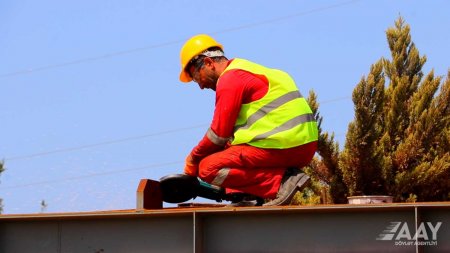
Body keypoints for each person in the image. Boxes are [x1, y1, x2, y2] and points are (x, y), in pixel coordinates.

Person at [179, 34, 318, 206]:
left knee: (207, 167)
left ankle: (282, 182)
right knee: (227, 150)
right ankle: (247, 195)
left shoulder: (230, 79)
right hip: (304, 146)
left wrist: (193, 159)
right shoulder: (249, 69)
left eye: (196, 77)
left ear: (208, 63)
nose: (200, 86)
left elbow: (218, 135)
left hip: (284, 145)